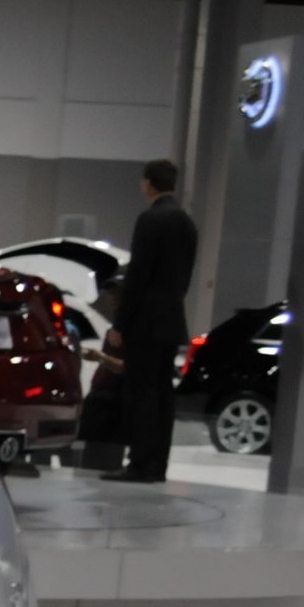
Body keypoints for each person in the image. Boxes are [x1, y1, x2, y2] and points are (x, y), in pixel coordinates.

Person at [114, 157, 199, 483]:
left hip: (145, 323)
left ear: (148, 183)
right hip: (171, 320)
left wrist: (121, 324)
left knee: (142, 395)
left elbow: (137, 277)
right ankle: (157, 465)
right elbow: (185, 277)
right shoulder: (186, 223)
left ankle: (139, 463)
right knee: (163, 397)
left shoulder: (150, 220)